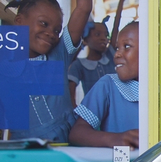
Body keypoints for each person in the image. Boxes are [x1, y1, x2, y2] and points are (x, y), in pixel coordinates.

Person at [2, 0, 92, 142]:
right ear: (19, 22)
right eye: (44, 23)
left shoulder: (59, 54)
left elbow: (84, 7)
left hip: (69, 145)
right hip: (27, 152)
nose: (51, 33)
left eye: (57, 30)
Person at [69, 21, 139, 149]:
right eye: (117, 47)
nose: (117, 54)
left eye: (127, 46)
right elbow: (76, 134)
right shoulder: (108, 85)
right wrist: (116, 138)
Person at [68, 0, 125, 108]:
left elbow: (116, 26)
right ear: (86, 38)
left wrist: (121, 3)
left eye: (105, 35)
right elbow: (70, 92)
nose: (103, 38)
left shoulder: (110, 56)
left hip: (116, 109)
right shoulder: (79, 65)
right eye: (97, 34)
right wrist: (76, 115)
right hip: (94, 113)